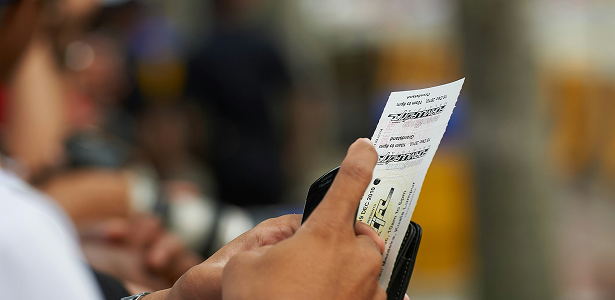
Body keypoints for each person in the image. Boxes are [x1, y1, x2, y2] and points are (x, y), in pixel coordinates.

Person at [0, 1, 392, 299]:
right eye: (63, 39)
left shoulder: (207, 48)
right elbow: (295, 102)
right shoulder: (20, 227)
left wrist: (171, 295)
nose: (94, 61)